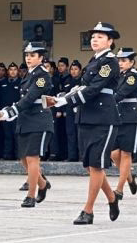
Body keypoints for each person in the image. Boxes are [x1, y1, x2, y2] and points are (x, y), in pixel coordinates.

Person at [48, 22, 121, 225]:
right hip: (87, 116)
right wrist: (65, 95)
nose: (94, 39)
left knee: (97, 165)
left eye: (100, 36)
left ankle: (87, 210)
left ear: (110, 41)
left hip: (103, 117)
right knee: (90, 165)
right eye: (93, 36)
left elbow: (95, 88)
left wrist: (68, 100)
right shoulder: (93, 61)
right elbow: (83, 86)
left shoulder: (109, 62)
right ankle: (112, 198)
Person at [0, 41, 53, 208]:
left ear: (41, 58)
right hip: (25, 120)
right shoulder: (28, 75)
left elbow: (31, 97)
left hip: (39, 120)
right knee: (23, 159)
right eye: (27, 55)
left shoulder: (43, 75)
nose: (28, 58)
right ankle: (42, 184)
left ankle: (31, 196)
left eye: (33, 55)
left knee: (33, 159)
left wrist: (11, 112)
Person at [109, 48, 137, 201]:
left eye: (123, 61)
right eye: (119, 60)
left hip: (129, 116)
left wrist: (105, 104)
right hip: (117, 116)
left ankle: (119, 189)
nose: (120, 63)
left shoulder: (132, 76)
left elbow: (121, 93)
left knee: (126, 153)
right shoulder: (116, 76)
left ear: (131, 62)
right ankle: (129, 178)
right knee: (114, 153)